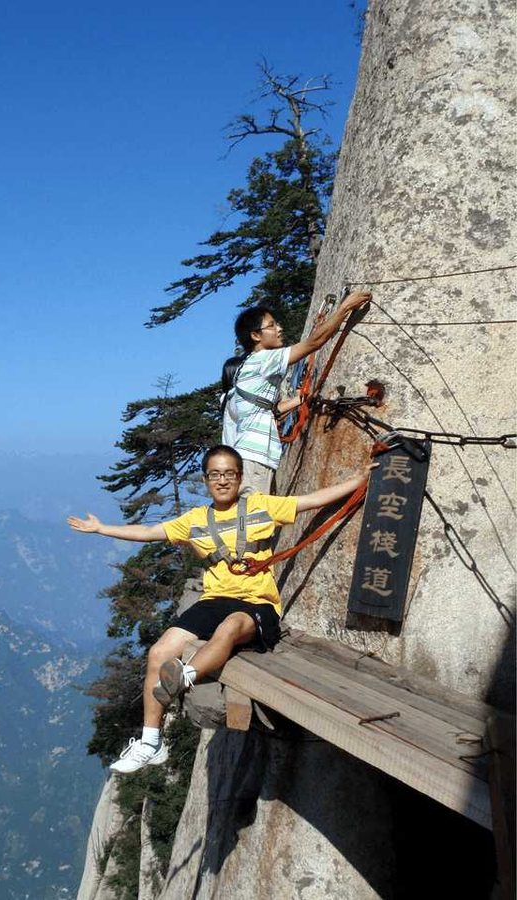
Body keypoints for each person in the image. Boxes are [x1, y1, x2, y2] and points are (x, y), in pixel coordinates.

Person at [67, 444, 375, 775]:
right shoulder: (196, 520)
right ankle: (150, 742)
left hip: (257, 605)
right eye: (215, 474)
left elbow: (310, 501)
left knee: (230, 627)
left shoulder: (261, 506)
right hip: (214, 601)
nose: (222, 480)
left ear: (240, 477)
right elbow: (148, 532)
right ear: (206, 480)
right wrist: (101, 529)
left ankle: (185, 677)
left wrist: (357, 481)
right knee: (159, 653)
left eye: (229, 473)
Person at [229, 292, 371, 496]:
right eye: (271, 325)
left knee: (261, 520)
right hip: (254, 459)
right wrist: (344, 308)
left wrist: (299, 399)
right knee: (253, 524)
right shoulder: (262, 360)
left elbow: (266, 409)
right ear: (255, 336)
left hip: (254, 457)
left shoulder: (247, 366)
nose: (279, 329)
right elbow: (313, 343)